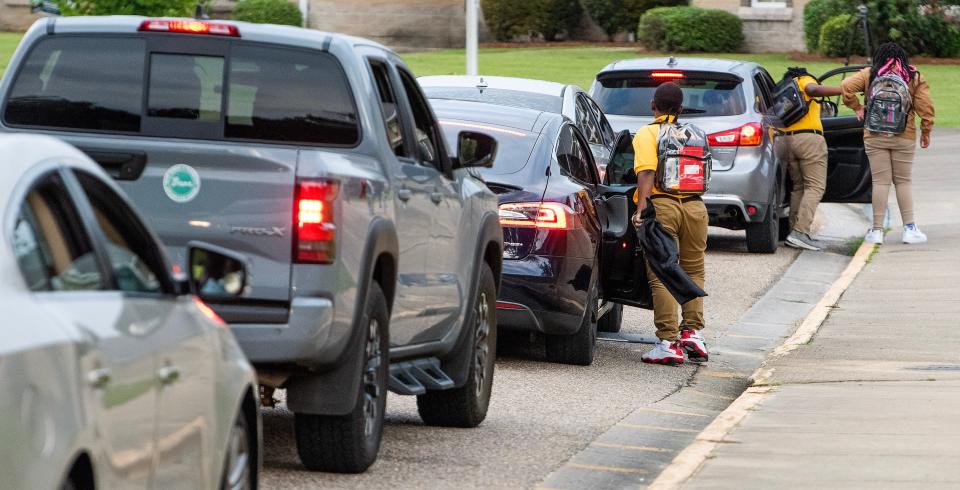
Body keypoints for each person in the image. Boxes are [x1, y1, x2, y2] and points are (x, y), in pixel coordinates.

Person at [631, 82, 709, 366]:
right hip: (696, 207)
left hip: (663, 206)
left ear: (653, 105)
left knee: (662, 273)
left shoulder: (648, 133)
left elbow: (647, 172)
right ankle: (693, 332)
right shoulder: (695, 134)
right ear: (681, 109)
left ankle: (667, 342)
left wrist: (641, 211)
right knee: (694, 270)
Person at [841, 42, 935, 245]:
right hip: (904, 135)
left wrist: (857, 107)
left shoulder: (870, 74)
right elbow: (926, 108)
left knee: (880, 182)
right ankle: (910, 229)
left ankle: (876, 231)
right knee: (903, 181)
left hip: (874, 135)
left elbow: (846, 87)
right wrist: (926, 131)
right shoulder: (913, 76)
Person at [778, 67, 843, 251]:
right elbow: (813, 90)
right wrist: (842, 89)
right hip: (809, 140)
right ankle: (800, 232)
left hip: (785, 140)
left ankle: (794, 232)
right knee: (815, 187)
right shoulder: (803, 80)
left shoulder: (783, 88)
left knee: (799, 187)